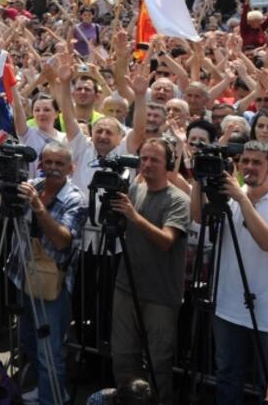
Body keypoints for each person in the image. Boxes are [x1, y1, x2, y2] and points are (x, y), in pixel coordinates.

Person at [0, 142, 85, 405]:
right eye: (48, 162)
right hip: (23, 278)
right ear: (40, 165)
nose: (52, 168)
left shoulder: (75, 198)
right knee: (28, 340)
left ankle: (51, 397)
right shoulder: (31, 186)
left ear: (70, 168)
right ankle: (49, 389)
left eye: (59, 164)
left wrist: (38, 207)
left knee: (50, 353)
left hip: (52, 287)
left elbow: (62, 240)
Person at [190, 140, 268, 404]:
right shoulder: (229, 193)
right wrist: (198, 181)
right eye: (245, 162)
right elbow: (197, 217)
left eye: (256, 163)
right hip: (227, 305)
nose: (249, 168)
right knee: (227, 376)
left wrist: (241, 199)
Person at [109, 139, 190, 403]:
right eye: (143, 158)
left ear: (167, 164)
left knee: (158, 366)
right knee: (122, 356)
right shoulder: (135, 188)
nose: (147, 164)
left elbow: (167, 241)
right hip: (126, 287)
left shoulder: (178, 200)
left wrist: (134, 216)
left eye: (154, 159)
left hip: (161, 296)